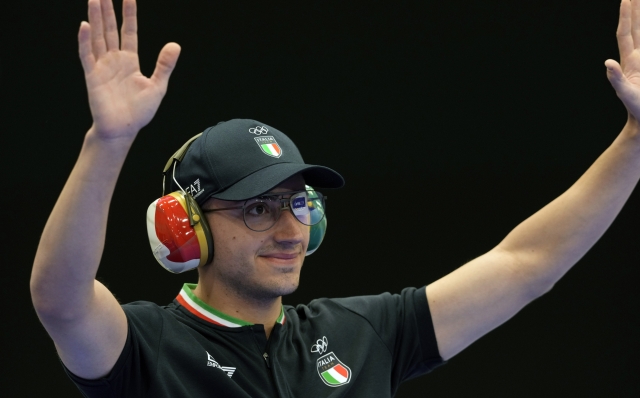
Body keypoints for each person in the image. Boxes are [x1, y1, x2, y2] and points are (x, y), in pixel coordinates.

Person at [30, 0, 640, 397]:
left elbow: (525, 265)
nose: (291, 229)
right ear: (187, 229)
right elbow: (60, 301)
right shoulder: (145, 349)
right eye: (257, 208)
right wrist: (107, 143)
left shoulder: (360, 334)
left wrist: (638, 140)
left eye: (300, 204)